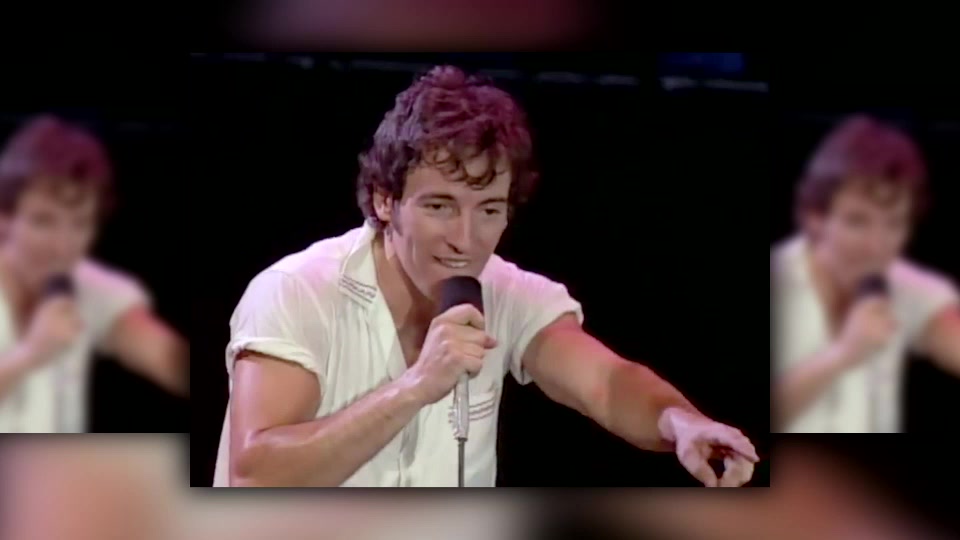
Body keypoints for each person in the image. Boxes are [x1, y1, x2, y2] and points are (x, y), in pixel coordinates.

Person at [214, 65, 759, 487]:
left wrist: (682, 423)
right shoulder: (297, 291)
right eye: (440, 207)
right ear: (385, 201)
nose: (466, 239)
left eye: (490, 210)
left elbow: (608, 384)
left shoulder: (507, 293)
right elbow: (256, 475)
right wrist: (415, 387)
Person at [0, 114, 189, 433]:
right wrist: (30, 353)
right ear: (4, 218)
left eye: (80, 224)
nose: (62, 246)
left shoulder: (88, 285)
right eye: (43, 221)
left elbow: (164, 354)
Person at [772, 114, 960, 433]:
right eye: (857, 221)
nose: (877, 246)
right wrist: (843, 354)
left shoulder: (906, 286)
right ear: (815, 217)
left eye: (894, 224)